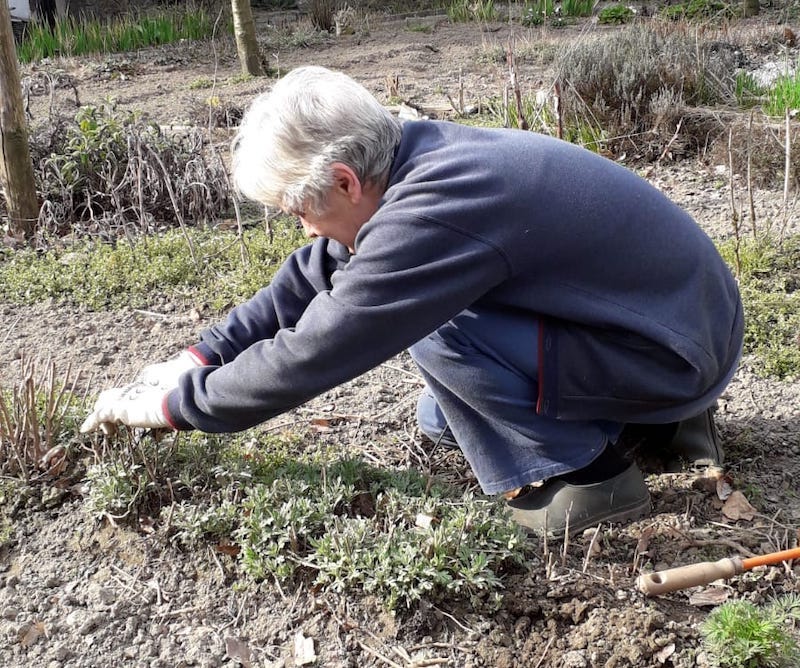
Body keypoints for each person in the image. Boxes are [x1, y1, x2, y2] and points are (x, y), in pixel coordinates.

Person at [81, 66, 744, 536]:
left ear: (343, 180)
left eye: (298, 210)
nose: (304, 229)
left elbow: (319, 347)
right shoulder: (413, 157)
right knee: (443, 418)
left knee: (439, 328)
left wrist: (175, 409)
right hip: (676, 328)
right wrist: (199, 355)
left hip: (673, 354)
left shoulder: (437, 214)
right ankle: (654, 424)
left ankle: (593, 482)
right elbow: (316, 269)